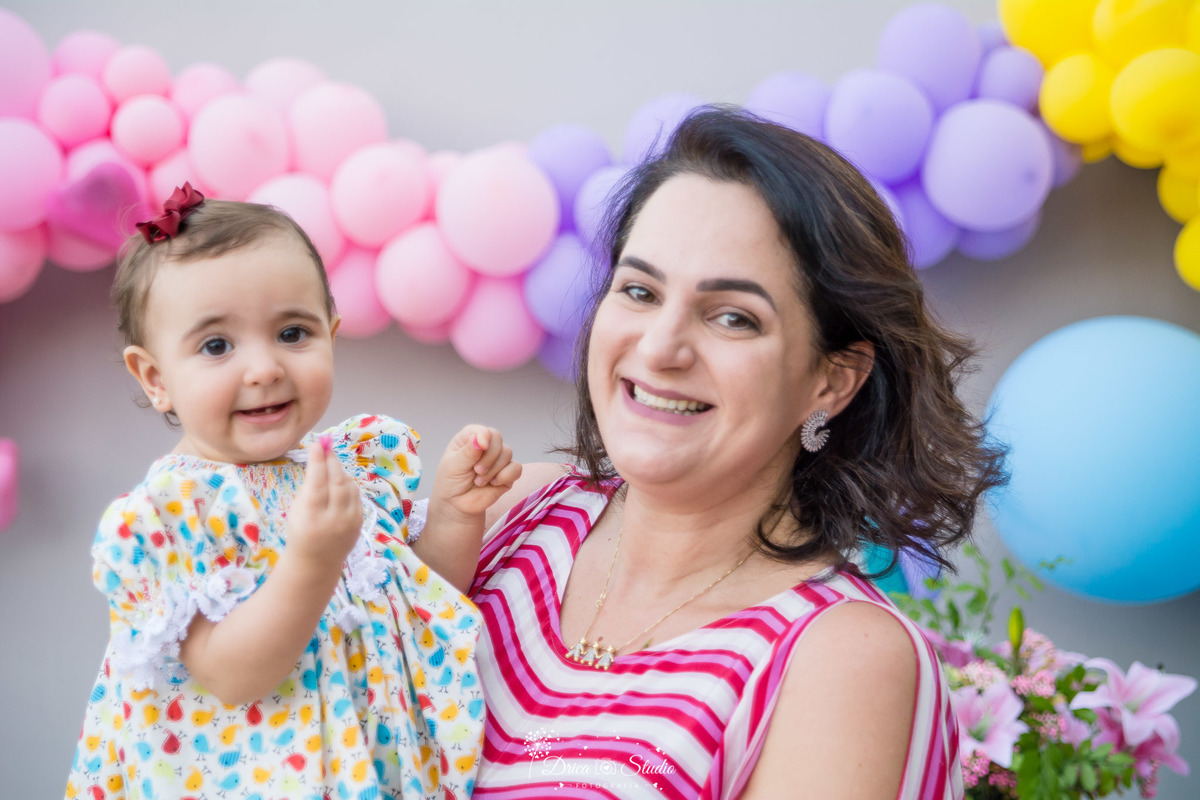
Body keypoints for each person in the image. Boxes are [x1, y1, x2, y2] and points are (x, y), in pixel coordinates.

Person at [468, 107, 1006, 799]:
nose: (661, 347)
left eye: (733, 317)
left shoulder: (838, 658)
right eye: (639, 290)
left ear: (831, 380)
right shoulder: (504, 514)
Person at [64, 185, 520, 800]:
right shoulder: (173, 519)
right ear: (156, 378)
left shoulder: (347, 469)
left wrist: (457, 512)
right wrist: (311, 561)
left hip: (363, 769)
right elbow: (231, 674)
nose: (264, 368)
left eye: (292, 333)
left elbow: (410, 607)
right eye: (217, 345)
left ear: (331, 333)